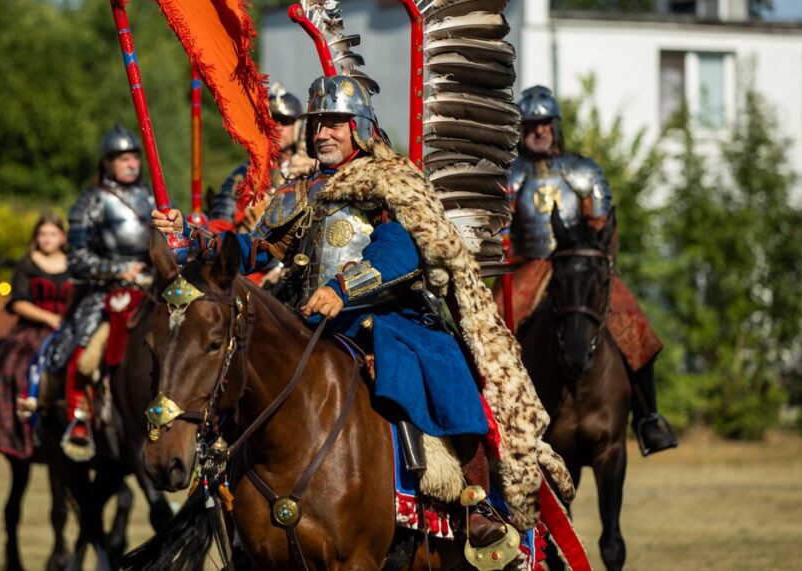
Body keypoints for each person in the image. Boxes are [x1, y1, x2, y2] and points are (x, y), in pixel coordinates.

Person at [154, 74, 570, 545]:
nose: (321, 134)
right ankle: (219, 487)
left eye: (334, 123)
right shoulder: (301, 191)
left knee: (437, 367)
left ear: (359, 127)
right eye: (317, 125)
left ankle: (472, 503)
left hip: (384, 314)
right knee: (237, 374)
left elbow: (400, 252)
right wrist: (192, 236)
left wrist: (342, 288)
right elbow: (256, 249)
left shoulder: (390, 182)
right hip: (307, 317)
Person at [495, 84, 678, 456]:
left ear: (555, 126)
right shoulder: (508, 177)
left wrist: (597, 267)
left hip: (579, 266)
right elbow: (497, 230)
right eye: (531, 124)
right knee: (486, 332)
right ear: (521, 129)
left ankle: (648, 418)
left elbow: (603, 226)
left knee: (636, 328)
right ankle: (490, 422)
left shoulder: (583, 171)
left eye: (545, 123)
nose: (538, 130)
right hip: (526, 269)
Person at [35, 124, 155, 461]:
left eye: (134, 157)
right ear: (107, 163)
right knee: (83, 354)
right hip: (105, 293)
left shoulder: (153, 195)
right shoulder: (91, 201)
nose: (131, 163)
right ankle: (79, 420)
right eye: (122, 158)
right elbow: (76, 258)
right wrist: (118, 270)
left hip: (152, 288)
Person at [0, 213, 71, 460]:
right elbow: (18, 303)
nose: (47, 239)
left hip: (68, 329)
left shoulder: (73, 263)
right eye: (42, 234)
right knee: (13, 367)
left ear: (62, 237)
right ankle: (17, 427)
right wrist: (48, 318)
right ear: (36, 237)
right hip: (33, 329)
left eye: (52, 234)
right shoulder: (26, 264)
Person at [207, 81, 315, 236]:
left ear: (298, 127)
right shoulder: (244, 174)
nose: (277, 127)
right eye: (271, 121)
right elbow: (219, 229)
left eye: (284, 121)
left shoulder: (312, 170)